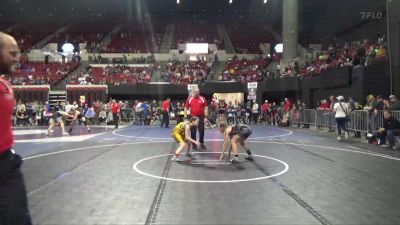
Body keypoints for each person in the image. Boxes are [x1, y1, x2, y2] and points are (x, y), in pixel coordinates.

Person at [0, 32, 32, 225]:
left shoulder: (6, 85)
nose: (16, 57)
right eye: (11, 52)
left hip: (7, 165)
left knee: (19, 219)